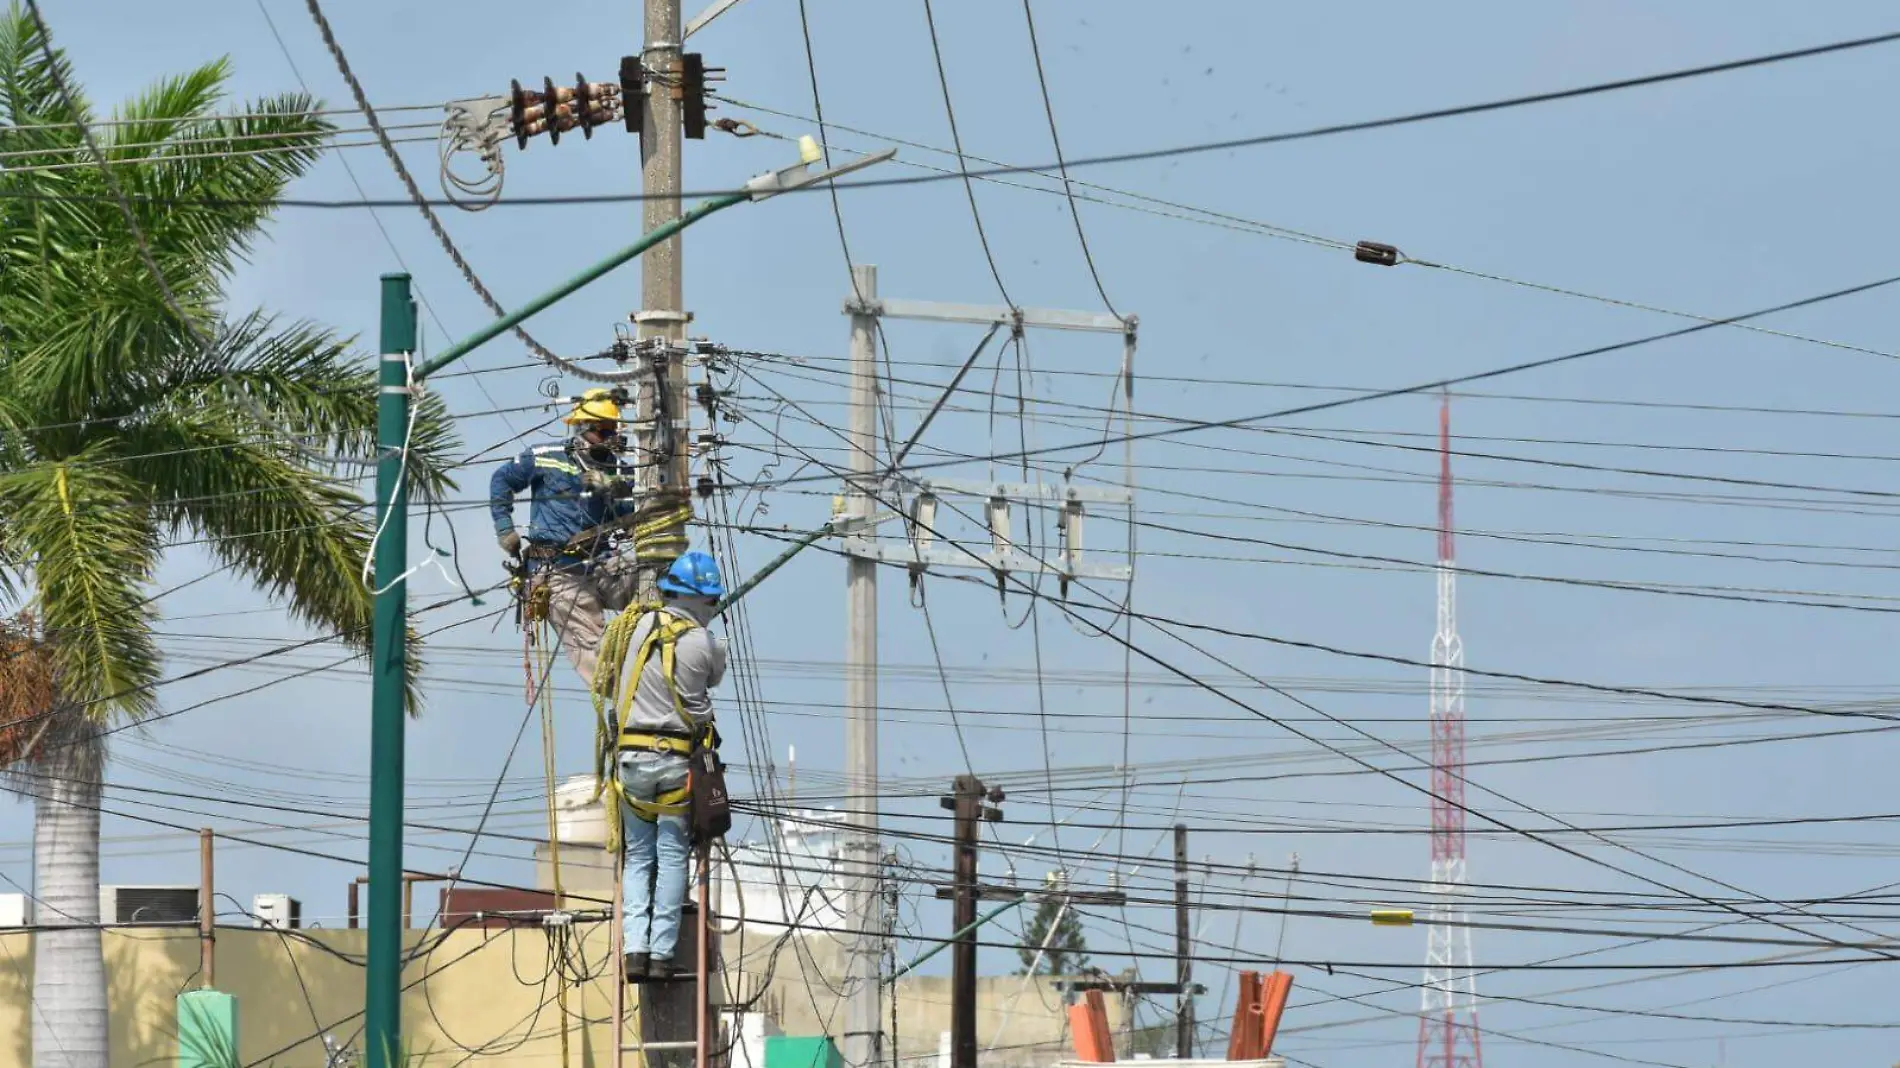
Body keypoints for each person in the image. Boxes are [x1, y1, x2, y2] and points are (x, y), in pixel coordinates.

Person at [614, 550, 727, 981]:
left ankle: (634, 952)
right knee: (672, 853)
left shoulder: (636, 627)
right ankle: (661, 955)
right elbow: (701, 705)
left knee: (639, 856)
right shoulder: (702, 642)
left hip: (631, 758)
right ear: (701, 599)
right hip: (675, 761)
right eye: (712, 602)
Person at [489, 388, 640, 688]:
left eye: (613, 430)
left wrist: (613, 487)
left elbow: (634, 516)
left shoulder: (621, 469)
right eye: (604, 430)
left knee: (658, 580)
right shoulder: (546, 456)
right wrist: (505, 529)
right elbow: (502, 479)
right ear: (583, 428)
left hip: (603, 564)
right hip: (558, 573)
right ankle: (628, 699)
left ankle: (662, 660)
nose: (611, 437)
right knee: (596, 658)